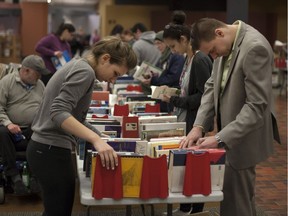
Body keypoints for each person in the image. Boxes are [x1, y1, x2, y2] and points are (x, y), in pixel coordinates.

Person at [26, 36, 137, 216]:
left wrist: (100, 138)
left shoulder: (80, 65)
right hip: (49, 150)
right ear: (105, 58)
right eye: (116, 73)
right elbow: (58, 113)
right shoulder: (85, 71)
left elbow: (74, 117)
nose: (113, 80)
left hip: (45, 149)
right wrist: (95, 139)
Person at [180, 18, 280, 216]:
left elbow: (256, 106)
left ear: (219, 33)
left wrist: (219, 138)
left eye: (213, 51)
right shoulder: (226, 45)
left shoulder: (254, 48)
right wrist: (198, 126)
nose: (214, 56)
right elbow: (211, 86)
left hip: (245, 134)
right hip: (228, 132)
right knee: (237, 198)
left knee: (236, 202)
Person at [160, 11, 213, 215]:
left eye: (173, 46)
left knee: (194, 167)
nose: (173, 51)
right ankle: (185, 207)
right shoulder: (189, 59)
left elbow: (203, 97)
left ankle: (195, 209)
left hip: (195, 121)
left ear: (184, 40)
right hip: (186, 119)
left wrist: (173, 99)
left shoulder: (200, 60)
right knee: (185, 166)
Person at [0, 55, 50, 195]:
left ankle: (35, 177)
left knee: (43, 132)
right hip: (10, 129)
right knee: (2, 132)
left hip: (32, 129)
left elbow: (45, 108)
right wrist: (8, 123)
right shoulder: (7, 82)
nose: (39, 77)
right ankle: (14, 176)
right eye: (37, 73)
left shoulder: (40, 85)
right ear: (26, 71)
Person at [140, 30, 185, 113]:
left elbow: (173, 77)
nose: (157, 46)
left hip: (171, 96)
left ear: (166, 43)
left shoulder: (176, 56)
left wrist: (153, 80)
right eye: (155, 43)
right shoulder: (162, 57)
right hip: (162, 97)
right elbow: (159, 73)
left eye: (159, 43)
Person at [131, 22, 161, 94]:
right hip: (159, 81)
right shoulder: (160, 42)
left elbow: (133, 65)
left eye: (134, 35)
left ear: (138, 31)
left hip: (142, 82)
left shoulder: (137, 45)